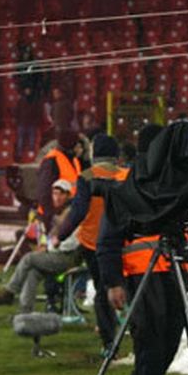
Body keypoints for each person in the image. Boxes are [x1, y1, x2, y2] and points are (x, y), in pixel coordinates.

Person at [97, 124, 185, 375]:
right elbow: (107, 239)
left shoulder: (172, 183)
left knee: (171, 339)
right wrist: (113, 282)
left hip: (172, 271)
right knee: (150, 342)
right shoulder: (123, 187)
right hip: (140, 274)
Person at [53, 133, 128, 354]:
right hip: (124, 243)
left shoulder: (86, 176)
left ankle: (109, 343)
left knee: (103, 290)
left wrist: (61, 234)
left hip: (94, 244)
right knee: (129, 288)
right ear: (116, 155)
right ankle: (136, 330)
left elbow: (79, 210)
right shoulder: (126, 175)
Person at [0, 179, 79, 312]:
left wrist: (48, 248)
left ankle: (9, 292)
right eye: (54, 194)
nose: (57, 197)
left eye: (61, 194)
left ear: (68, 195)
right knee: (33, 272)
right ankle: (24, 312)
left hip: (67, 256)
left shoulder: (72, 213)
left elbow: (71, 243)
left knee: (29, 259)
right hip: (57, 254)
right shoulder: (56, 214)